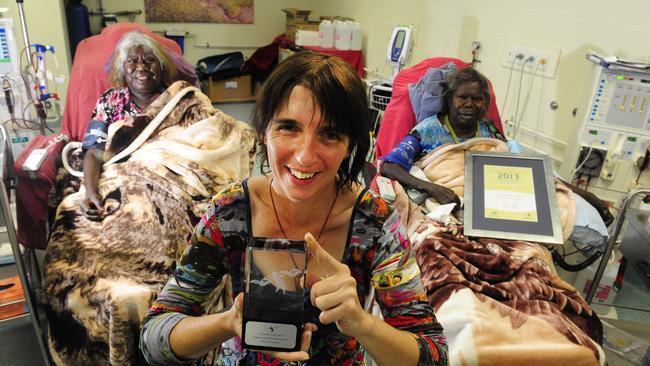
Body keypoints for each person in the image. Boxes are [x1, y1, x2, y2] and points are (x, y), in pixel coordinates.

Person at [140, 52, 448, 366]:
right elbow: (153, 341)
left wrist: (362, 323)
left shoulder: (377, 224)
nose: (304, 156)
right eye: (288, 127)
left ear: (349, 145)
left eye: (329, 134)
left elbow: (434, 356)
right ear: (263, 131)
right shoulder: (231, 214)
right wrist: (227, 323)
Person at [80, 31, 178, 220]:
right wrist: (91, 194)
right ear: (122, 70)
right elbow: (93, 151)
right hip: (123, 179)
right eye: (132, 60)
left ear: (162, 68)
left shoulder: (178, 97)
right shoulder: (110, 101)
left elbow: (202, 141)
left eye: (150, 60)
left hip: (171, 182)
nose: (141, 67)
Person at [379, 67, 505, 206]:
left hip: (481, 204)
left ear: (485, 102)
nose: (469, 104)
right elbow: (389, 166)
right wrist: (432, 189)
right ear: (450, 99)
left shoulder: (489, 131)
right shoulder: (428, 129)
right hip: (436, 205)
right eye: (462, 97)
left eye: (477, 99)